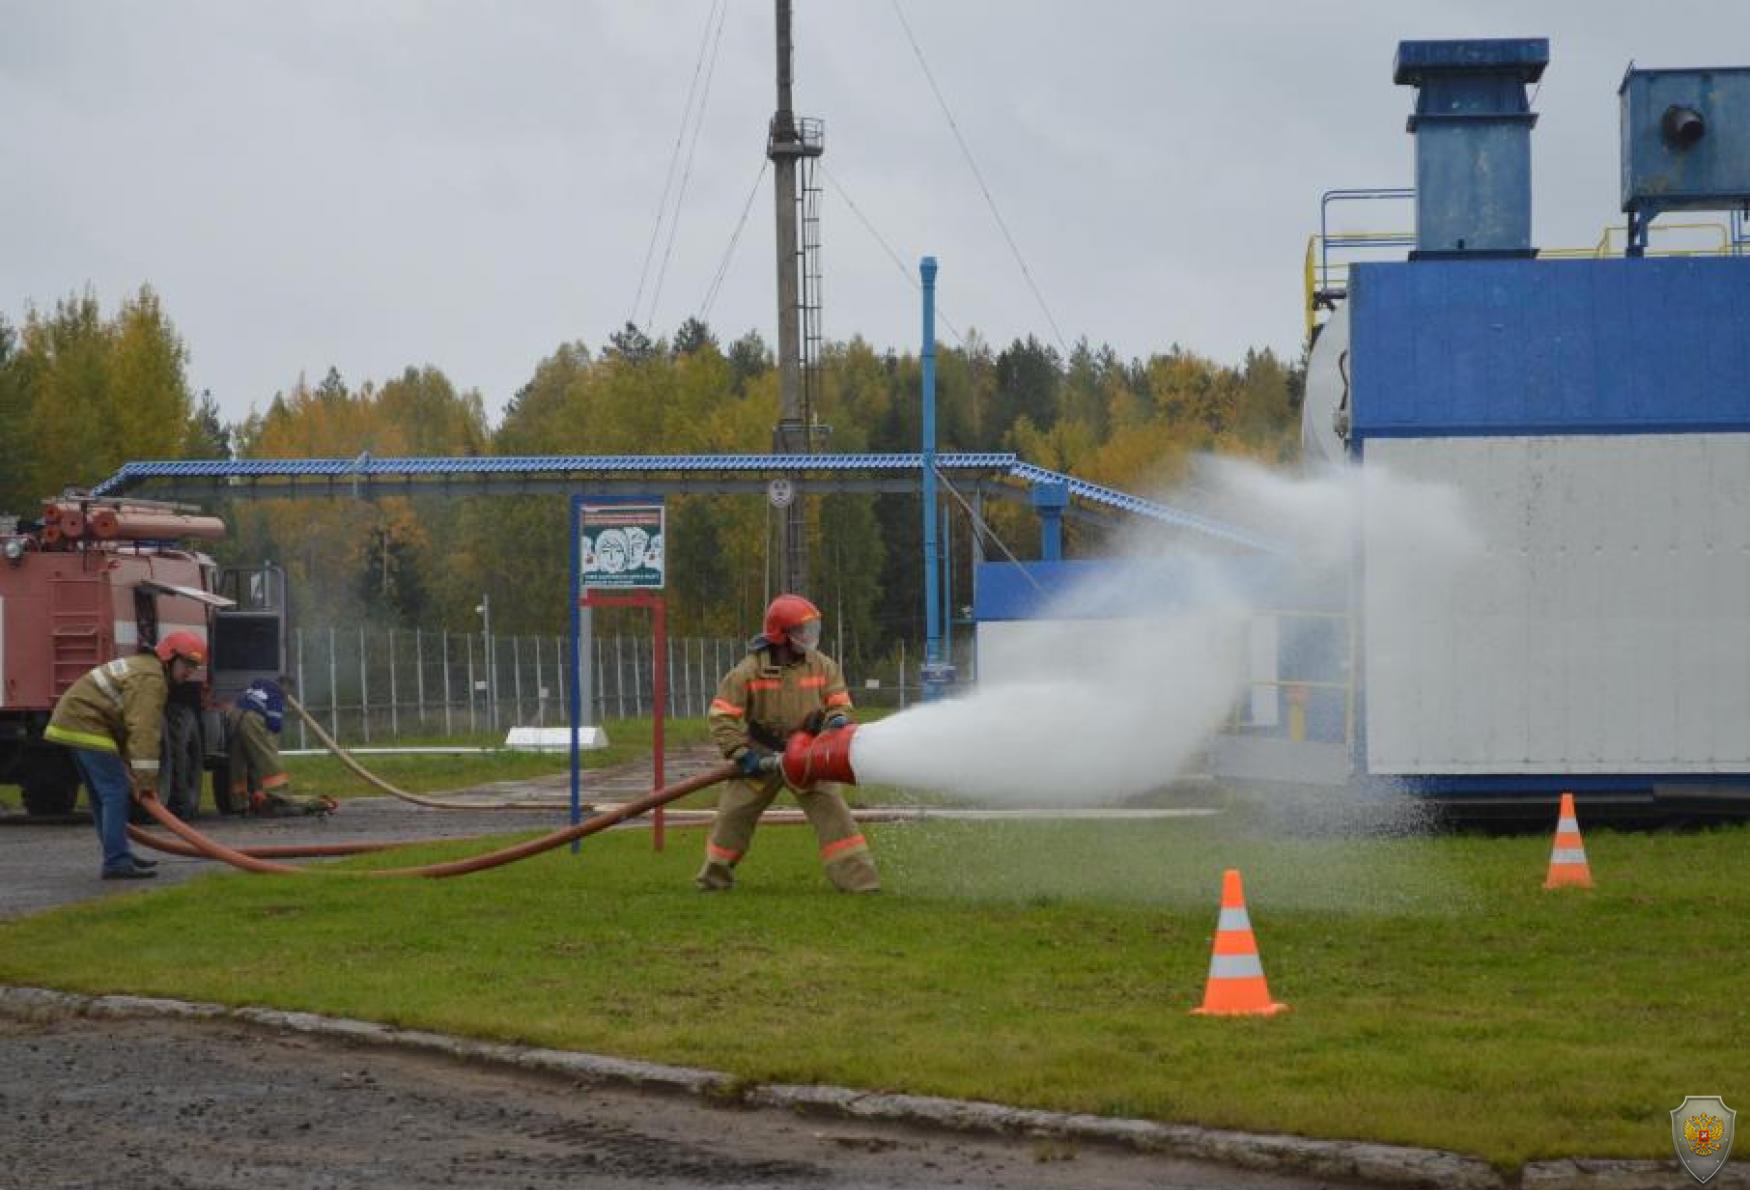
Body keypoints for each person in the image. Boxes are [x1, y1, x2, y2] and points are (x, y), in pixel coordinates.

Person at [698, 594, 880, 893]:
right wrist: (740, 753)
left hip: (808, 758)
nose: (811, 638)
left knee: (836, 819)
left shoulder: (823, 666)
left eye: (813, 630)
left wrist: (836, 720)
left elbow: (840, 704)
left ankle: (862, 885)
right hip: (761, 756)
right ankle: (713, 881)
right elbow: (721, 716)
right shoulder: (748, 670)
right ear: (781, 636)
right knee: (732, 817)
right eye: (803, 632)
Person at [44, 631, 207, 880]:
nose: (189, 673)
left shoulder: (146, 668)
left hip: (76, 721)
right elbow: (144, 730)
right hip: (86, 723)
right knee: (114, 792)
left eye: (195, 667)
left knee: (103, 796)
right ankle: (116, 861)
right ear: (169, 657)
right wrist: (145, 780)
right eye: (187, 664)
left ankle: (118, 854)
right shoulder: (151, 678)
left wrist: (128, 765)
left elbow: (122, 720)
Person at [219, 679, 333, 817]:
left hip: (234, 715)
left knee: (239, 762)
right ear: (286, 687)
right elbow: (274, 724)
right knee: (268, 760)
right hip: (252, 719)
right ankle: (280, 798)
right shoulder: (276, 694)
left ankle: (240, 803)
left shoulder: (258, 685)